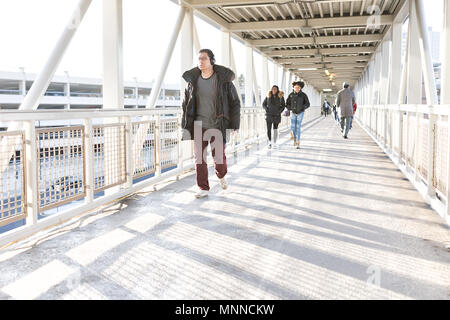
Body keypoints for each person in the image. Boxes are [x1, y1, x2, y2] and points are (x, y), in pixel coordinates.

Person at [181, 49, 241, 198]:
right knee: (199, 158)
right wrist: (185, 124)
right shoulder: (192, 82)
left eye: (204, 59)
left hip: (217, 124)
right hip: (198, 124)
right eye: (199, 59)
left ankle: (221, 175)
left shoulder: (223, 81)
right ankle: (203, 188)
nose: (200, 61)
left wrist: (235, 124)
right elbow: (185, 104)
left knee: (219, 159)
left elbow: (235, 102)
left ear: (211, 61)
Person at [286, 81, 310, 149]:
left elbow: (308, 104)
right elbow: (287, 103)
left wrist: (303, 108)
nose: (297, 88)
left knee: (298, 127)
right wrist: (289, 108)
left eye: (298, 87)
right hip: (293, 113)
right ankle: (294, 139)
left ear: (300, 88)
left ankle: (298, 142)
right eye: (295, 87)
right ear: (293, 87)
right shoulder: (291, 95)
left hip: (300, 113)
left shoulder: (303, 95)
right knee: (293, 127)